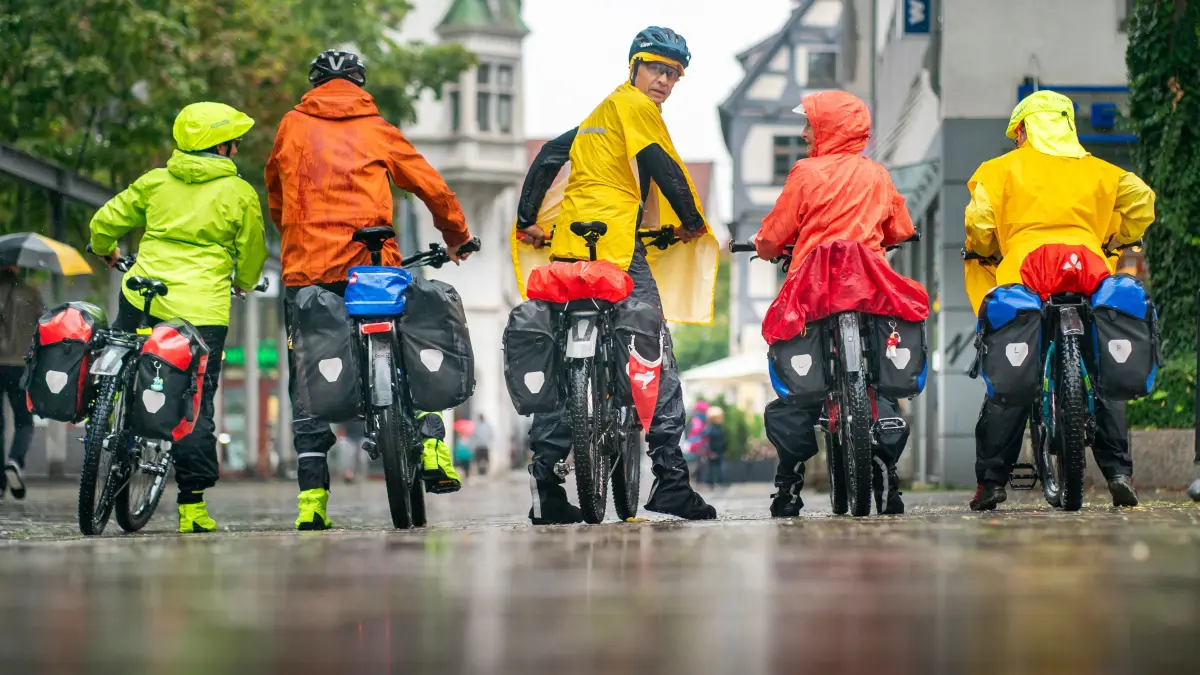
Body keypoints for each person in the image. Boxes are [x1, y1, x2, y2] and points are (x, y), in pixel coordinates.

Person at [513, 27, 717, 523]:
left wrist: (527, 222)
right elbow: (661, 164)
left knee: (562, 360)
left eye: (673, 74)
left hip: (567, 248)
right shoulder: (635, 107)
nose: (664, 82)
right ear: (634, 66)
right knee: (653, 347)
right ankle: (670, 478)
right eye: (656, 69)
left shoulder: (597, 118)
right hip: (620, 248)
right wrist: (691, 221)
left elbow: (545, 159)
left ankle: (546, 487)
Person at [266, 49, 473, 530]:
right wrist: (456, 236)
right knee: (408, 341)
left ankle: (312, 502)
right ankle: (433, 443)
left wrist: (295, 236)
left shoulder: (291, 126)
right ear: (360, 84)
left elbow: (276, 191)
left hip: (309, 270)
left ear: (313, 83)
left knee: (308, 376)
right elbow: (430, 185)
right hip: (371, 263)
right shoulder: (376, 126)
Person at [964, 90, 1155, 511]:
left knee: (1013, 370)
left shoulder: (1000, 170)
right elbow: (1141, 199)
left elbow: (979, 220)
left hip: (1024, 272)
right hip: (1088, 268)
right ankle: (1119, 472)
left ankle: (993, 482)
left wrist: (983, 247)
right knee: (1098, 364)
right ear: (1068, 125)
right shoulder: (1100, 170)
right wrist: (1117, 238)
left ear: (1023, 131)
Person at [89, 102, 268, 533]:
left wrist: (105, 249)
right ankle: (191, 507)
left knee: (121, 361)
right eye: (234, 142)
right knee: (195, 398)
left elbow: (105, 221)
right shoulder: (239, 193)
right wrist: (243, 282)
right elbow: (252, 251)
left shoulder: (155, 182)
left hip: (144, 297)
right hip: (201, 310)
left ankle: (107, 419)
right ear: (222, 145)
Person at [754, 90, 915, 518]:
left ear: (827, 127)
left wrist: (763, 246)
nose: (805, 134)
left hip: (815, 289)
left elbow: (774, 235)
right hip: (869, 287)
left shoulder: (805, 173)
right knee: (877, 379)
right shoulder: (877, 174)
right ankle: (888, 477)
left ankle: (788, 485)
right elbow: (900, 227)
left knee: (799, 386)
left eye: (810, 124)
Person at [0, 266, 43, 500]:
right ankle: (15, 461)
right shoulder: (31, 293)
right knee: (24, 421)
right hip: (20, 365)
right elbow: (43, 327)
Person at [704, 407, 727, 488]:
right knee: (715, 468)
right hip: (715, 451)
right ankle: (712, 482)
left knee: (715, 468)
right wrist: (710, 451)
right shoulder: (713, 430)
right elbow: (709, 442)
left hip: (716, 451)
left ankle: (713, 482)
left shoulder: (711, 429)